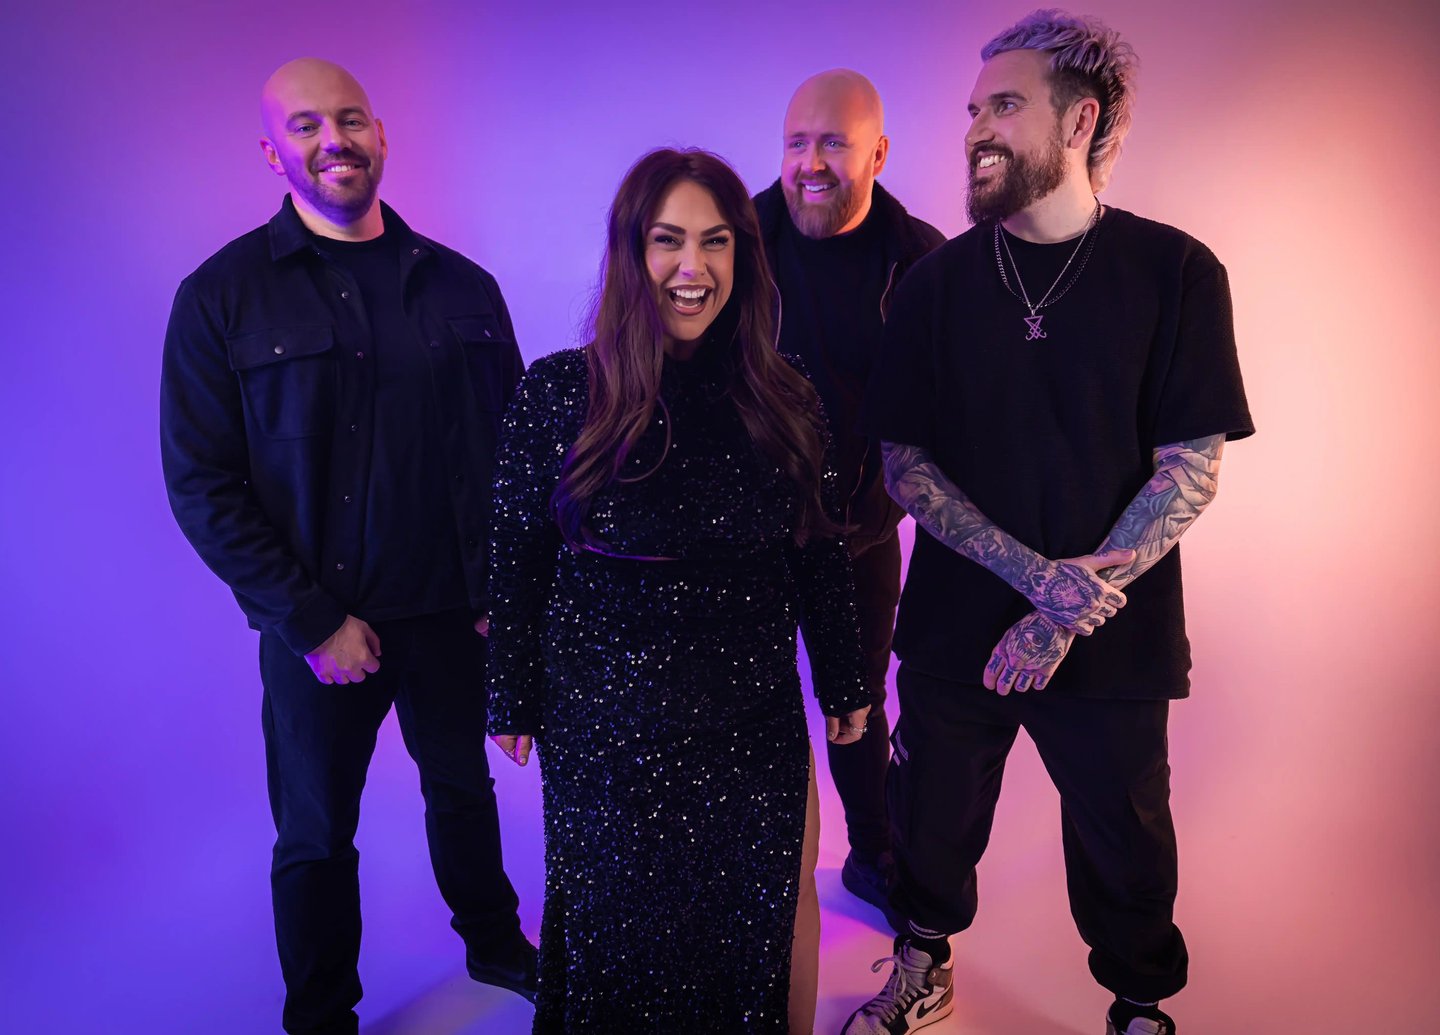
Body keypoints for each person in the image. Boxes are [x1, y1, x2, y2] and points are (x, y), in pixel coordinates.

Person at [843, 12, 1254, 1035]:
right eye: (975, 108)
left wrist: (1066, 614)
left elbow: (1191, 466)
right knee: (928, 823)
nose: (978, 127)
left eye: (1006, 106)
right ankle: (923, 964)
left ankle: (1140, 1003)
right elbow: (904, 465)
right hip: (952, 631)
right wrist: (1035, 581)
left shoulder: (1176, 272)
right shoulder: (933, 285)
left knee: (1125, 840)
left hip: (1114, 637)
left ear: (1080, 121)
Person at [159, 58, 536, 1035]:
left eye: (352, 119)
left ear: (380, 133)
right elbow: (203, 484)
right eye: (308, 125)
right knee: (318, 836)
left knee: (464, 791)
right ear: (273, 149)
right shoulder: (222, 299)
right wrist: (315, 620)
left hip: (457, 612)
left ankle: (496, 948)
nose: (335, 141)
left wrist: (507, 590)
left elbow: (515, 457)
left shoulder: (463, 287)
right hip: (320, 631)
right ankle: (321, 1014)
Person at [484, 148, 870, 1034]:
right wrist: (508, 690)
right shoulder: (557, 392)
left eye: (715, 242)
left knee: (742, 942)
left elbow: (818, 548)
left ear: (743, 256)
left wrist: (847, 680)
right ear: (630, 253)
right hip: (606, 733)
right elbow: (515, 553)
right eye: (667, 241)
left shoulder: (787, 396)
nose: (692, 268)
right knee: (616, 942)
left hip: (751, 733)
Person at [752, 69, 944, 928]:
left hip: (862, 532)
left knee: (856, 700)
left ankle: (874, 855)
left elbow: (951, 404)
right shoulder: (738, 237)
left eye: (833, 141)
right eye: (798, 141)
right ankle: (746, 863)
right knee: (740, 702)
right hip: (745, 532)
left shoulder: (923, 259)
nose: (811, 162)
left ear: (878, 151)